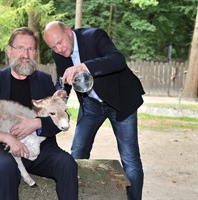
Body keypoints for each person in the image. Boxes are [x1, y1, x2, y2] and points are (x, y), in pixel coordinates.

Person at [0, 27, 78, 200]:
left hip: (40, 148)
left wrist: (38, 124)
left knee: (67, 163)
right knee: (7, 167)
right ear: (10, 51)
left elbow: (63, 119)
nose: (26, 54)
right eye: (20, 48)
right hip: (2, 148)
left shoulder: (44, 80)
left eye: (31, 49)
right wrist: (4, 136)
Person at [43, 21, 145, 200]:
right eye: (53, 46)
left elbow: (118, 60)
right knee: (77, 152)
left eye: (59, 43)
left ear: (68, 31)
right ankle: (76, 195)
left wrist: (83, 66)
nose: (58, 49)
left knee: (130, 161)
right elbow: (63, 79)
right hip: (91, 105)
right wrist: (61, 93)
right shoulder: (57, 52)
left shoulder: (95, 36)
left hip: (121, 102)